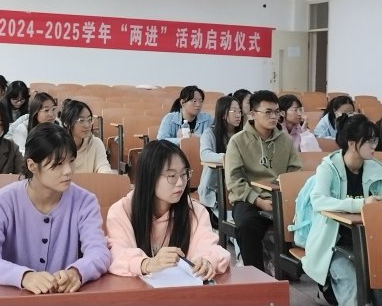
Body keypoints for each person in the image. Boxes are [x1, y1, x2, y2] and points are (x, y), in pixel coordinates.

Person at [0, 124, 110, 294]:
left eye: (72, 161)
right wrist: (24, 276)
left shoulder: (85, 201)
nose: (68, 171)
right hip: (13, 298)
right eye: (58, 164)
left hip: (63, 298)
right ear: (32, 165)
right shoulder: (0, 202)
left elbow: (99, 252)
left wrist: (77, 272)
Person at [302, 114, 382, 306]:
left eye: (375, 140)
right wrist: (361, 205)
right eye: (369, 141)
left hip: (370, 243)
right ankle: (327, 289)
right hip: (333, 244)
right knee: (353, 289)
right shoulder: (328, 167)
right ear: (352, 144)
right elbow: (318, 201)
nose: (374, 145)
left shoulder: (374, 169)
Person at [106, 139, 230, 279]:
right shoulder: (121, 211)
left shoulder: (195, 212)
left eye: (184, 174)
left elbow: (211, 248)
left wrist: (206, 260)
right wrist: (147, 264)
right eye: (171, 176)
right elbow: (116, 254)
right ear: (149, 177)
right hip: (135, 290)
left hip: (182, 290)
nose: (180, 183)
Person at [224, 90, 301, 272]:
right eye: (268, 112)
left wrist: (283, 197)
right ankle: (255, 274)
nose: (274, 116)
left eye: (276, 112)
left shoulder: (285, 140)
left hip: (280, 199)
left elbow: (294, 172)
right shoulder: (238, 141)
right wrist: (258, 201)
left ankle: (290, 267)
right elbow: (234, 180)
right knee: (247, 225)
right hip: (249, 200)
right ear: (253, 114)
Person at [198, 96, 242, 218]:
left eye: (240, 111)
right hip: (214, 188)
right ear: (223, 114)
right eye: (234, 111)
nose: (238, 115)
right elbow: (205, 155)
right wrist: (227, 158)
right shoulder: (209, 133)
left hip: (237, 185)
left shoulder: (242, 135)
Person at [60, 100, 111, 173]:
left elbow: (103, 165)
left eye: (89, 119)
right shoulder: (57, 147)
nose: (87, 125)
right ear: (67, 123)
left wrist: (107, 173)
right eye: (81, 120)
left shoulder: (95, 143)